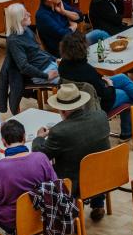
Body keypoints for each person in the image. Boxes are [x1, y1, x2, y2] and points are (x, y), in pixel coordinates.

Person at [57, 32, 133, 138]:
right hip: (95, 104)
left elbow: (92, 81)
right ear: (82, 48)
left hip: (76, 100)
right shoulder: (87, 70)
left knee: (122, 78)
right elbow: (106, 95)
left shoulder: (62, 65)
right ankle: (127, 131)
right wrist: (109, 85)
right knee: (128, 94)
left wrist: (102, 80)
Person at [33, 85, 114, 221]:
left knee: (43, 172)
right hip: (104, 174)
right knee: (92, 157)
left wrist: (39, 137)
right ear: (81, 103)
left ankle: (72, 211)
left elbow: (40, 156)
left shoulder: (59, 132)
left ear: (62, 111)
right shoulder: (101, 116)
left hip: (76, 181)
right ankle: (98, 203)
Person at [0, 119, 58, 235]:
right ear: (24, 138)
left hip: (12, 221)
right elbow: (55, 183)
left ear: (3, 142)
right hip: (41, 214)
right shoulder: (41, 158)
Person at [35, 0, 107, 53]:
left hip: (76, 40)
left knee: (100, 34)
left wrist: (64, 12)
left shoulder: (58, 4)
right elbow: (63, 35)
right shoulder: (42, 16)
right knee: (99, 34)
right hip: (65, 48)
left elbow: (80, 17)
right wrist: (73, 27)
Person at [4, 3, 60, 87]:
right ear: (19, 19)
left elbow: (39, 50)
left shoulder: (26, 30)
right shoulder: (14, 41)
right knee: (72, 80)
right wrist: (47, 76)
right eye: (25, 14)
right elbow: (24, 66)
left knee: (78, 71)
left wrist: (57, 60)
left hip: (50, 64)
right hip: (42, 72)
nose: (29, 14)